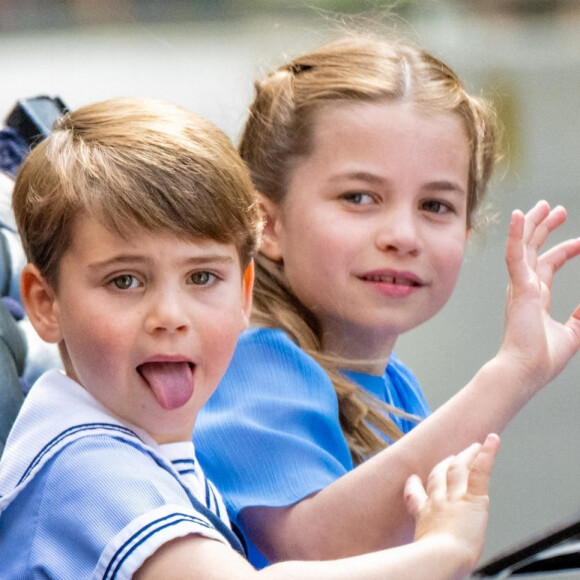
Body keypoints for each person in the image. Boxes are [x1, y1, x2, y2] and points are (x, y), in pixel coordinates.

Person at [0, 96, 500, 580]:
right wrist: (444, 552)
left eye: (201, 278)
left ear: (244, 294)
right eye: (125, 281)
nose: (170, 317)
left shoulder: (131, 444)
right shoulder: (87, 470)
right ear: (46, 304)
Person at [194, 33, 580, 567]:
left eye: (436, 205)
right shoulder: (249, 361)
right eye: (359, 197)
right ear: (268, 225)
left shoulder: (394, 384)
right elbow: (316, 550)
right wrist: (514, 372)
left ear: (468, 231)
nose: (403, 234)